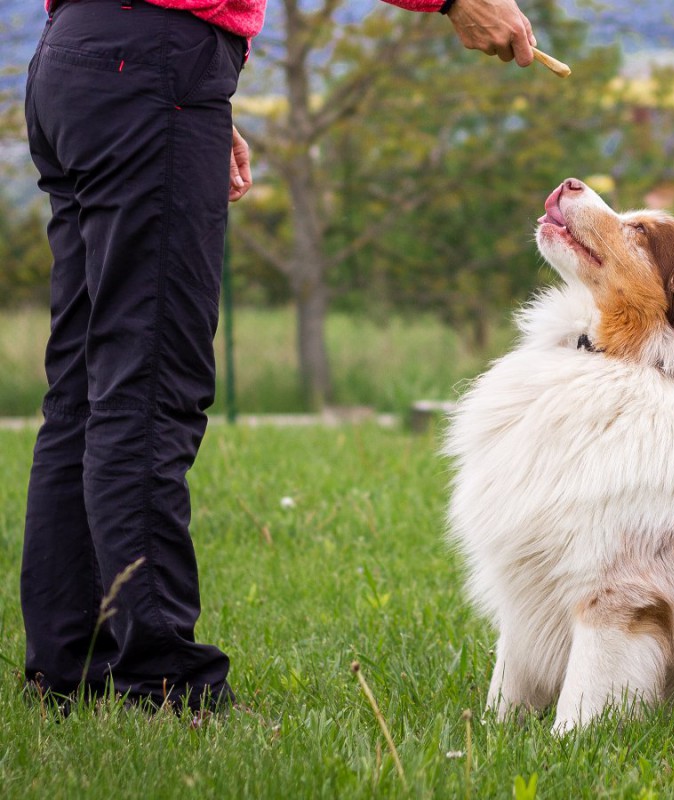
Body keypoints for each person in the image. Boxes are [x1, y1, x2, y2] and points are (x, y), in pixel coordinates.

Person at [22, 0, 536, 713]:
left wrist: (186, 99)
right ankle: (164, 684)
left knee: (82, 390)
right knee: (143, 393)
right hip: (148, 64)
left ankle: (66, 670)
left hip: (77, 59)